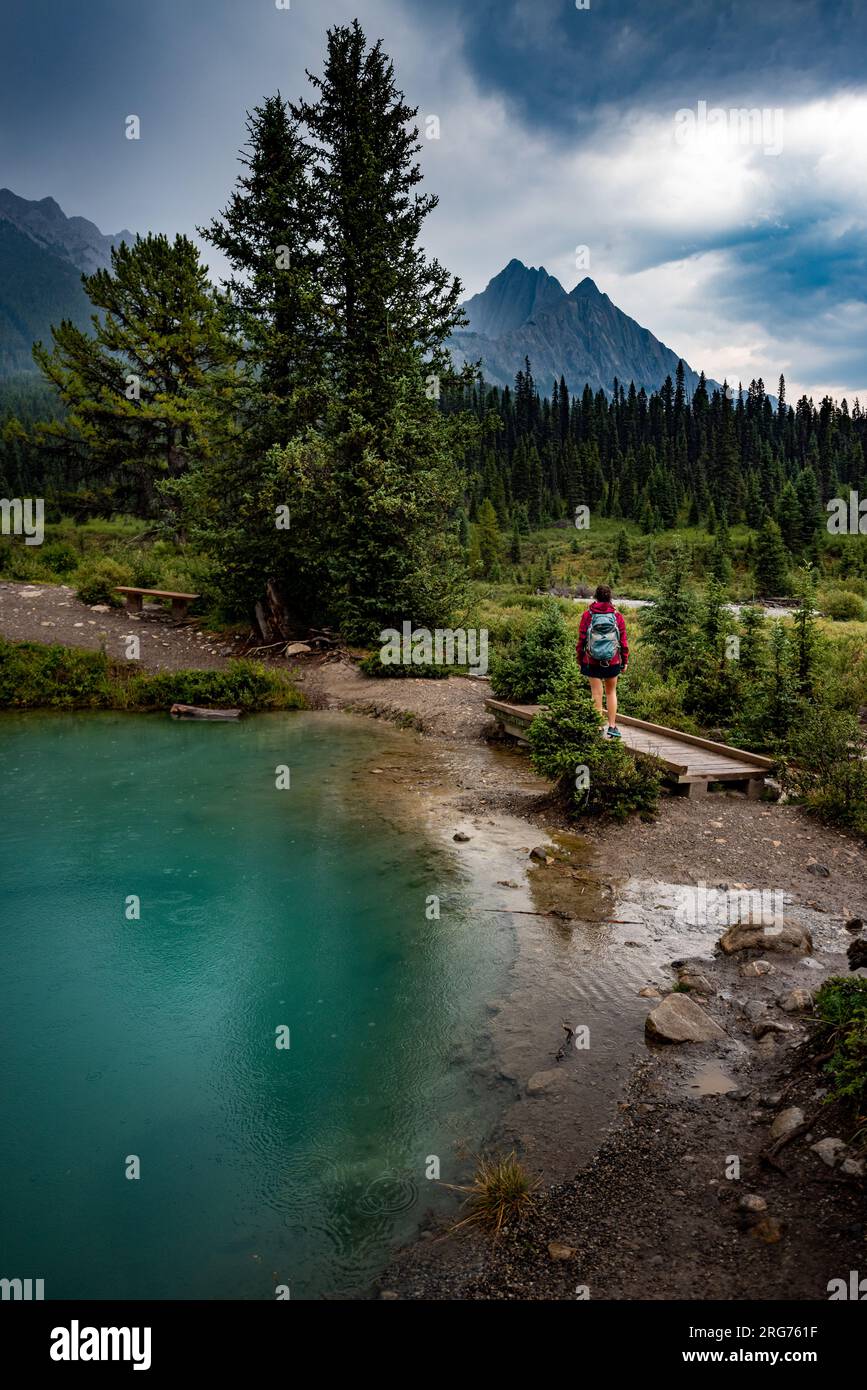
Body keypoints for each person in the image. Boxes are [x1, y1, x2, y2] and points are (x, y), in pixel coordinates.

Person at [576, 584, 629, 739]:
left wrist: (580, 659)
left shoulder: (588, 615)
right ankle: (612, 727)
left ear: (595, 597)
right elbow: (623, 641)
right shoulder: (617, 616)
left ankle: (598, 727)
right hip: (612, 661)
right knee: (611, 692)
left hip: (591, 660)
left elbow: (582, 640)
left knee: (596, 694)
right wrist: (624, 660)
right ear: (610, 597)